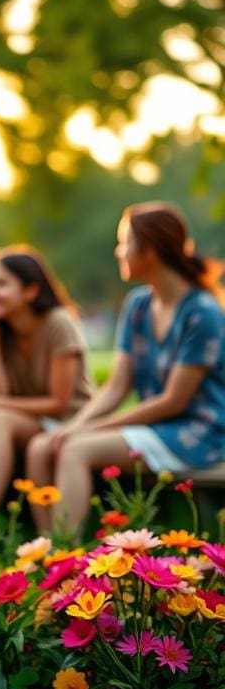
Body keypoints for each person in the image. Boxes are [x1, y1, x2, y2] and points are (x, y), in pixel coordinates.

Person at [29, 202, 225, 534]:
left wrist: (93, 429)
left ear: (150, 250)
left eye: (125, 243)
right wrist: (75, 424)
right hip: (159, 431)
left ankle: (66, 554)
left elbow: (172, 402)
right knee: (43, 444)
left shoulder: (201, 312)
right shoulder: (138, 305)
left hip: (198, 434)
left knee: (77, 449)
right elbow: (117, 386)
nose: (119, 252)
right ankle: (45, 554)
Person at [0, 245, 93, 526]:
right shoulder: (0, 329)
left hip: (68, 421)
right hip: (28, 419)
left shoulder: (58, 323)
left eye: (1, 284)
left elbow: (59, 403)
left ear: (30, 291)